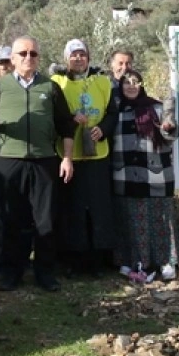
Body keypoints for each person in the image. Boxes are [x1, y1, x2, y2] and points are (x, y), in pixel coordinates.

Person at [0, 35, 77, 292]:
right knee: (12, 219)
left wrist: (67, 158)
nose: (28, 58)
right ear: (12, 59)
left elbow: (66, 125)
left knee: (46, 220)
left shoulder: (50, 87)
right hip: (8, 162)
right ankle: (12, 272)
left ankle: (45, 273)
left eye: (33, 54)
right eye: (23, 54)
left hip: (45, 161)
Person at [51, 39, 118, 277]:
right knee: (73, 208)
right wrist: (71, 118)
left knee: (99, 208)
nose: (78, 58)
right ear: (66, 58)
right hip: (70, 156)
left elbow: (112, 112)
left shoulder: (102, 82)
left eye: (82, 54)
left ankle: (98, 261)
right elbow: (54, 114)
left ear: (88, 58)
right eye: (73, 55)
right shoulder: (57, 82)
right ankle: (74, 260)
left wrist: (104, 129)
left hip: (98, 154)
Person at [110, 70, 179, 283]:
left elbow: (170, 136)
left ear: (142, 85)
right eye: (126, 83)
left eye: (135, 82)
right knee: (130, 221)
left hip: (156, 176)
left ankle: (166, 262)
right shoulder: (116, 111)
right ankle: (135, 262)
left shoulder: (156, 108)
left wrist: (168, 128)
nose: (131, 86)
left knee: (161, 222)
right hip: (126, 177)